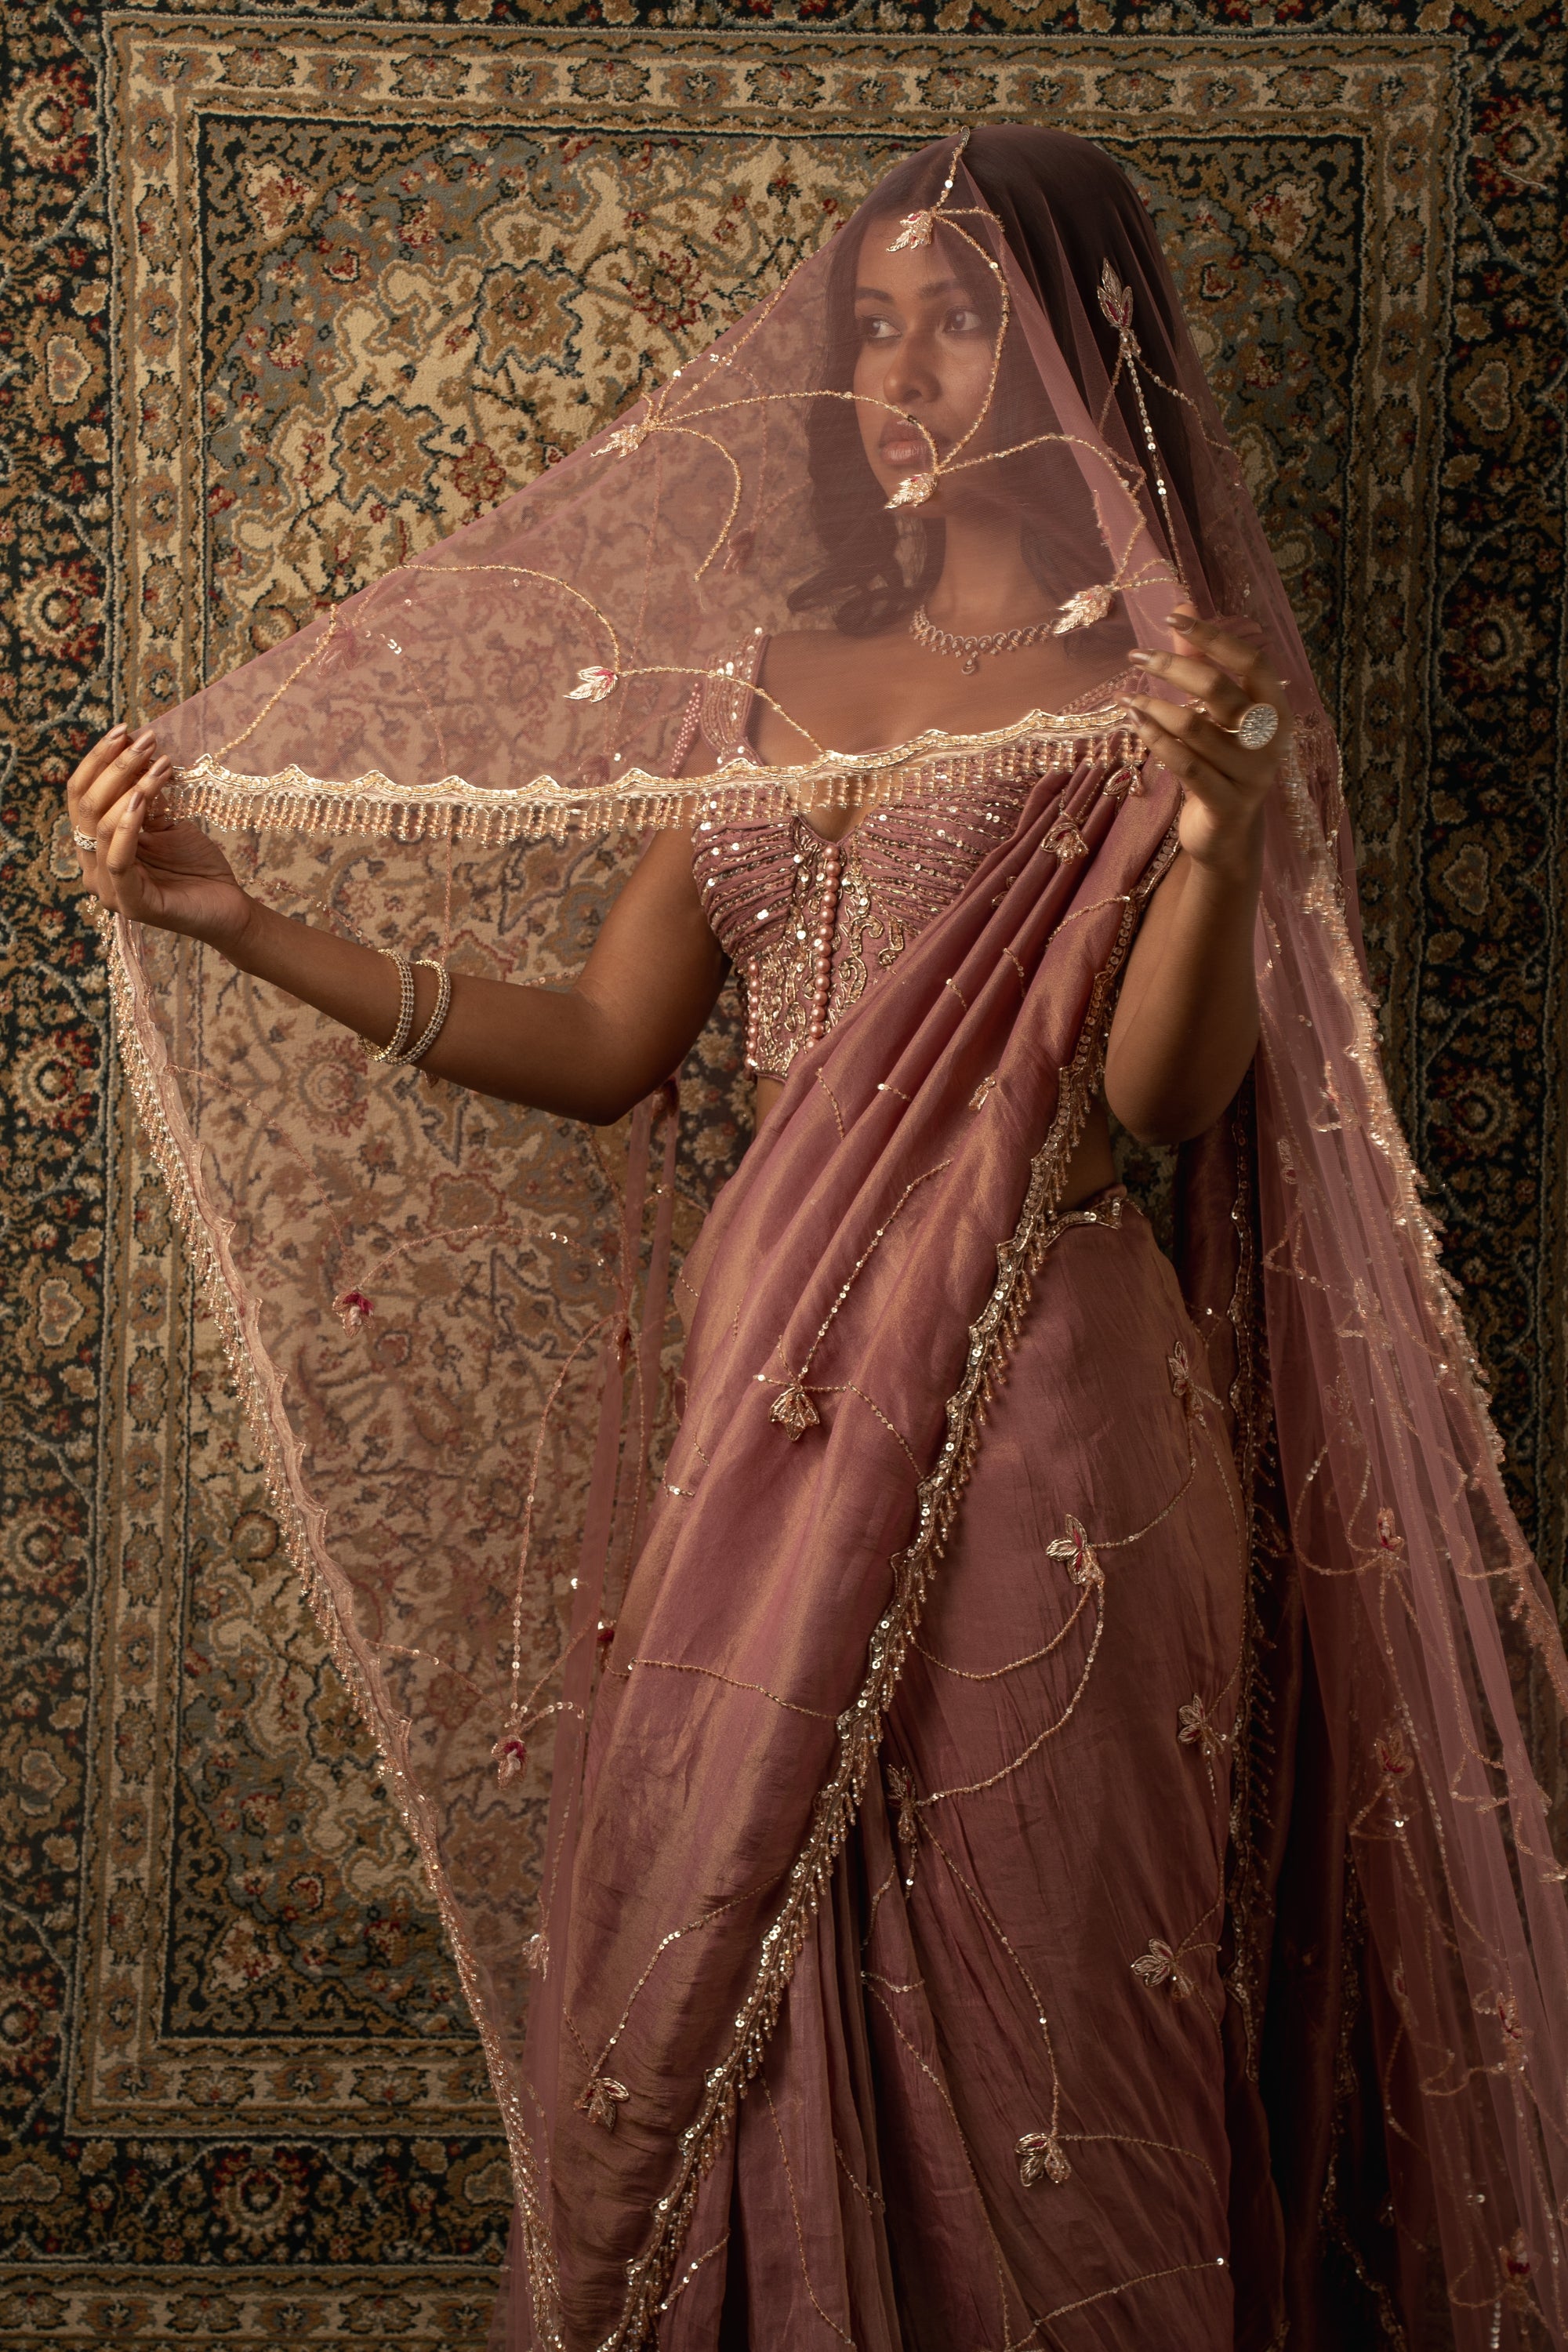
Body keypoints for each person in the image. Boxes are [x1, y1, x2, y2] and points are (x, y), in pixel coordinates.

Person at [67, 128, 1568, 2350]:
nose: (903, 364)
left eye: (958, 312)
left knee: (1056, 2004)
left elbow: (1160, 1105)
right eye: (872, 318)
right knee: (729, 1997)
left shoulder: (1160, 689)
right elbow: (603, 1040)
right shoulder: (763, 681)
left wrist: (1224, 831)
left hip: (1038, 1409)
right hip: (760, 1428)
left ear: (1081, 348)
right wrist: (247, 922)